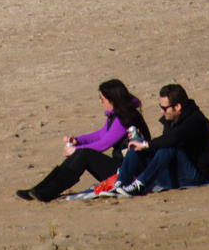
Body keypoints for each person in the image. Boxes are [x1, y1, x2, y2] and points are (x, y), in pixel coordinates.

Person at [17, 79, 151, 202]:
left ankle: (47, 191)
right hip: (121, 165)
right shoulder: (117, 115)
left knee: (85, 154)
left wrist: (76, 150)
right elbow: (101, 134)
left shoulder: (125, 118)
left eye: (102, 99)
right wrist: (77, 141)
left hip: (130, 172)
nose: (100, 102)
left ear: (113, 100)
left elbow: (103, 144)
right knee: (82, 153)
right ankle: (40, 189)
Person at [114, 83, 209, 196]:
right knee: (136, 144)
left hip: (194, 177)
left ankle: (140, 184)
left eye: (164, 108)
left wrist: (146, 144)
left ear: (177, 106)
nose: (161, 111)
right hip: (172, 175)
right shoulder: (171, 117)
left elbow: (174, 138)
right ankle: (120, 184)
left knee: (169, 146)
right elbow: (164, 141)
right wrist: (142, 142)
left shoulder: (195, 121)